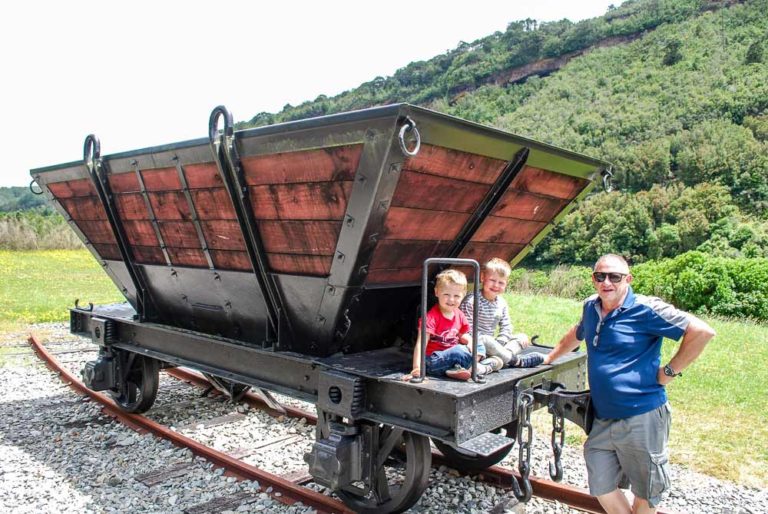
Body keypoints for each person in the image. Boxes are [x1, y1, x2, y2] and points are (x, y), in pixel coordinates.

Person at [542, 254, 715, 514]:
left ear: (628, 279)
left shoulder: (646, 309)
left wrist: (669, 371)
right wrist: (549, 359)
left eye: (615, 277)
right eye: (600, 276)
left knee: (645, 490)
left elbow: (702, 332)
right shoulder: (591, 307)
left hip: (642, 415)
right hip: (604, 416)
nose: (607, 282)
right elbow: (576, 334)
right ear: (593, 279)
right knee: (600, 483)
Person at [404, 268, 500, 382]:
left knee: (477, 340)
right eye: (446, 294)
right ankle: (476, 367)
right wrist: (417, 368)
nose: (451, 299)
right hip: (433, 361)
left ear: (463, 295)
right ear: (437, 292)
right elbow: (421, 344)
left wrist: (470, 342)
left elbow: (461, 335)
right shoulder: (431, 318)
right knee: (458, 351)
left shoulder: (459, 314)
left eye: (456, 296)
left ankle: (459, 369)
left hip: (453, 356)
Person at [460, 258, 544, 369]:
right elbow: (467, 330)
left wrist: (501, 342)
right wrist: (494, 345)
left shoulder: (501, 303)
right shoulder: (472, 300)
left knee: (521, 337)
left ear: (506, 284)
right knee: (485, 339)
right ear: (482, 278)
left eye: (501, 282)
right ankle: (517, 361)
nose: (496, 285)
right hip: (476, 344)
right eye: (492, 280)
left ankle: (498, 359)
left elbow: (506, 326)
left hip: (495, 345)